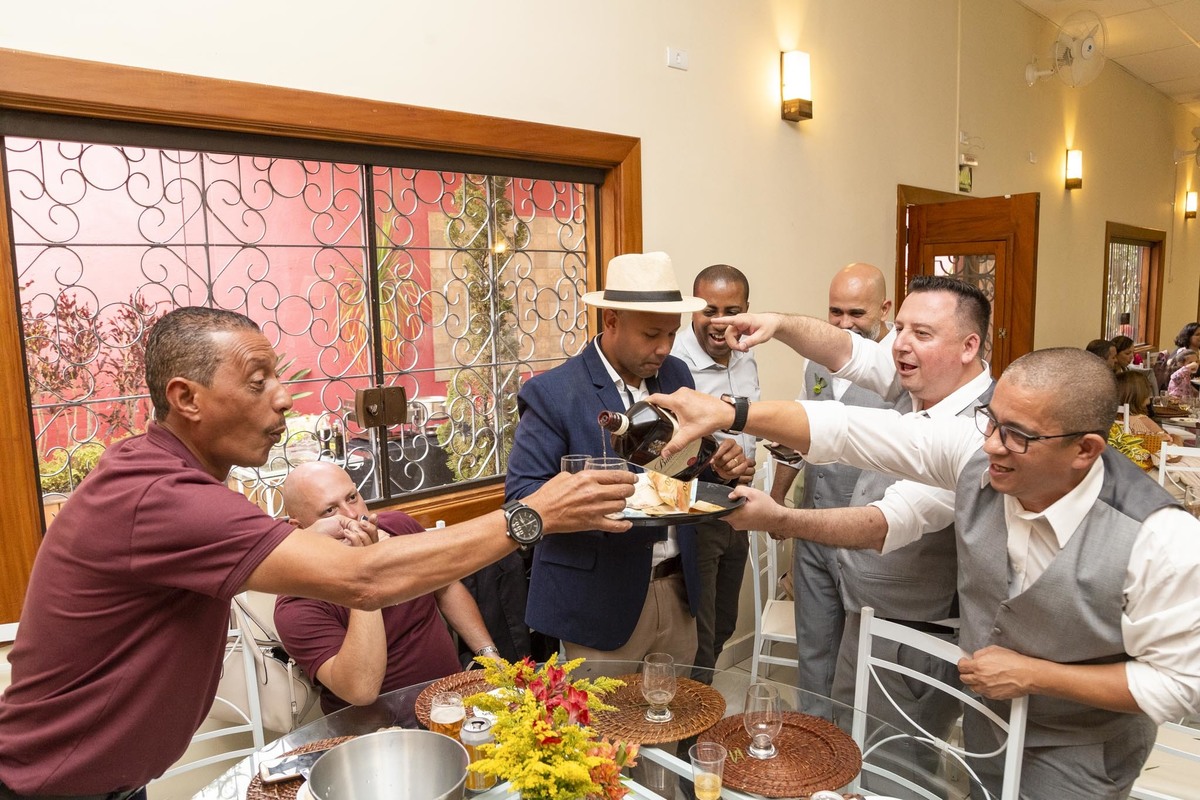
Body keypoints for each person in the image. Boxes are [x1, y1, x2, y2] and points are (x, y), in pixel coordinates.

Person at [0, 307, 634, 799]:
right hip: (49, 787)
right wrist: (533, 515)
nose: (283, 397)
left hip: (111, 780)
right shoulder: (159, 495)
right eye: (258, 383)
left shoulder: (172, 481)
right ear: (187, 398)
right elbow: (364, 580)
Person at [651, 348, 1200, 799]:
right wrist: (732, 413)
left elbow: (1181, 686)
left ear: (1085, 450)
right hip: (987, 728)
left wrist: (1036, 675)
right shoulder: (978, 455)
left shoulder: (1161, 539)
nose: (992, 445)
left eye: (1018, 435)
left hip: (1078, 753)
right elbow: (855, 430)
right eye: (991, 421)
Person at [721, 276, 995, 761]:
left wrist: (778, 516)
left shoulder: (977, 431)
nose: (901, 344)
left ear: (968, 347)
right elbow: (847, 350)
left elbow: (885, 522)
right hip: (864, 611)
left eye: (922, 333)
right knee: (849, 742)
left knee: (893, 765)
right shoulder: (922, 375)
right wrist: (778, 323)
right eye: (901, 329)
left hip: (917, 632)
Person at [506, 252, 748, 665]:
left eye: (671, 334)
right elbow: (521, 497)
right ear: (612, 320)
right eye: (652, 334)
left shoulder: (676, 376)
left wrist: (720, 469)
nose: (664, 348)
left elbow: (684, 469)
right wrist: (588, 495)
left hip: (678, 589)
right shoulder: (553, 393)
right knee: (603, 711)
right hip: (597, 604)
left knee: (673, 705)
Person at [273, 462, 502, 713]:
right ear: (300, 528)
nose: (352, 515)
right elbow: (361, 690)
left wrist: (488, 654)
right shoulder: (297, 603)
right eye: (330, 510)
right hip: (378, 725)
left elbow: (446, 587)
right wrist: (365, 569)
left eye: (352, 497)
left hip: (451, 702)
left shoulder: (398, 527)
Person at [767, 262, 893, 714]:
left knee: (862, 662)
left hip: (870, 539)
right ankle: (816, 744)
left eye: (857, 313)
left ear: (885, 309)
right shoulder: (815, 360)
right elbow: (799, 436)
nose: (844, 324)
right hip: (812, 530)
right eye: (835, 312)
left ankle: (854, 747)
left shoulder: (902, 367)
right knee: (814, 652)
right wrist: (777, 499)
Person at [670, 263, 760, 680]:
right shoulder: (674, 365)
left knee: (724, 623)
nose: (720, 322)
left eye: (731, 311)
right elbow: (666, 450)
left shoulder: (746, 354)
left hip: (738, 507)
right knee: (700, 636)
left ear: (747, 309)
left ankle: (702, 702)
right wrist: (715, 463)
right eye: (709, 310)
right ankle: (698, 716)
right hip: (696, 512)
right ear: (694, 309)